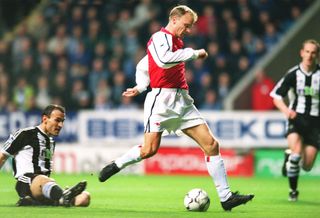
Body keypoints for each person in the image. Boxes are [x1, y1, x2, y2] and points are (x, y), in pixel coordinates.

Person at [99, 5, 254, 211]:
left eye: (190, 27)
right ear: (174, 19)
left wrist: (140, 86)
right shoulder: (159, 38)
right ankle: (117, 165)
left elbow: (144, 66)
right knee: (149, 150)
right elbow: (161, 61)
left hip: (182, 101)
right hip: (161, 101)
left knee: (211, 145)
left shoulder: (176, 42)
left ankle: (226, 198)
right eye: (186, 25)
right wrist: (194, 53)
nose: (188, 30)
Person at [0, 104, 90, 207]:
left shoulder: (51, 142)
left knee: (85, 197)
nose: (60, 125)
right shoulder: (25, 134)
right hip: (27, 183)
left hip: (45, 186)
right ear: (45, 119)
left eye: (62, 121)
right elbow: (2, 157)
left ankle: (55, 199)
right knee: (42, 179)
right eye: (57, 120)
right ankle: (62, 196)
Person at [270, 39, 320, 201]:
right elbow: (276, 96)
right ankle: (293, 191)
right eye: (307, 52)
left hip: (315, 123)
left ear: (317, 55)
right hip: (296, 118)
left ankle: (289, 154)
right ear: (301, 53)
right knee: (297, 153)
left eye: (313, 52)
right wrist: (286, 111)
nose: (310, 55)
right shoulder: (293, 74)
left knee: (306, 166)